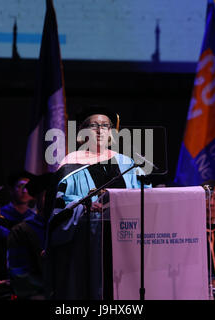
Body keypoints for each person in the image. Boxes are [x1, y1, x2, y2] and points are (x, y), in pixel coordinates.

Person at [44, 107, 147, 300]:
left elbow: (142, 195)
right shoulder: (69, 164)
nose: (100, 130)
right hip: (85, 240)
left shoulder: (127, 163)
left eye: (105, 126)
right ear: (82, 132)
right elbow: (59, 206)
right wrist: (84, 206)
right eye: (94, 126)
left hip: (125, 236)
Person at [7, 173, 50, 300]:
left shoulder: (65, 226)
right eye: (47, 195)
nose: (52, 199)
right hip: (36, 294)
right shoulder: (22, 231)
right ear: (37, 197)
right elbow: (20, 274)